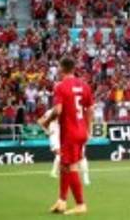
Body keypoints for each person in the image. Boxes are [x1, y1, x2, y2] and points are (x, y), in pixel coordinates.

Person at [38, 56, 93, 215]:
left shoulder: (60, 86)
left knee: (71, 167)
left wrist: (46, 122)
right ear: (74, 68)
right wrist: (88, 129)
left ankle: (80, 204)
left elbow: (58, 110)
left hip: (70, 132)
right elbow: (90, 109)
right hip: (81, 130)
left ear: (61, 69)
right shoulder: (84, 85)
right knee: (64, 164)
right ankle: (61, 201)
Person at [44, 106, 90, 186]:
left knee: (81, 156)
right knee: (61, 155)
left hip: (73, 135)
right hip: (58, 136)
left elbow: (84, 120)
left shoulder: (77, 110)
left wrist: (85, 132)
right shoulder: (51, 112)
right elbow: (42, 122)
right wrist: (47, 131)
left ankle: (85, 177)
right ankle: (55, 172)